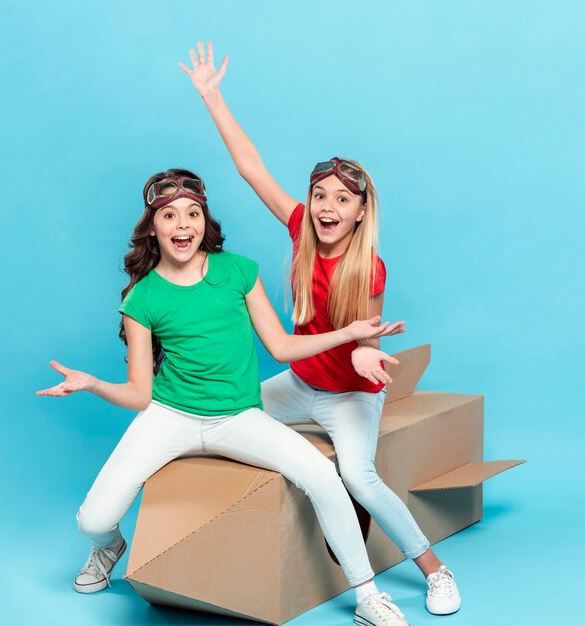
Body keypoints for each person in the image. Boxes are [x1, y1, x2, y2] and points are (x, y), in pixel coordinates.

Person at [37, 169, 412, 626]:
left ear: (204, 221)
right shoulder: (142, 297)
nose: (183, 224)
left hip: (238, 418)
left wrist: (349, 334)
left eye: (193, 214)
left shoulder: (237, 270)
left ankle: (368, 595)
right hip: (169, 417)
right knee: (91, 521)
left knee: (323, 475)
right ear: (153, 227)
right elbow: (140, 394)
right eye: (169, 215)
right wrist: (93, 384)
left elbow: (281, 348)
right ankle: (109, 548)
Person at [181, 42, 462, 618]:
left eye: (342, 199)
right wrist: (212, 96)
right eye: (319, 196)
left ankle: (434, 570)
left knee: (359, 476)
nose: (327, 206)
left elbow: (366, 337)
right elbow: (251, 168)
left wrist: (366, 356)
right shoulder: (298, 231)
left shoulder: (369, 267)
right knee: (218, 411)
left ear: (361, 212)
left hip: (350, 397)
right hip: (299, 383)